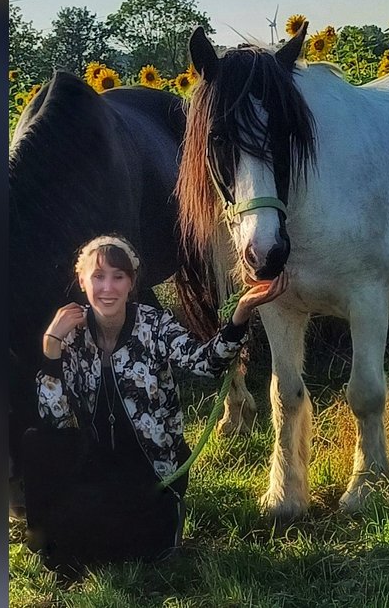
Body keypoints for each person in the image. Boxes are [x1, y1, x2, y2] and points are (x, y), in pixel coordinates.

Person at [23, 234, 286, 568]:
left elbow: (207, 362)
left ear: (131, 283)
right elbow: (56, 420)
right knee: (37, 444)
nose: (107, 288)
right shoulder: (71, 333)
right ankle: (54, 542)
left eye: (118, 277)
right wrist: (51, 346)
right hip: (95, 466)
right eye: (98, 277)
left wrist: (242, 313)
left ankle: (148, 528)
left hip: (151, 470)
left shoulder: (154, 324)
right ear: (82, 281)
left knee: (139, 555)